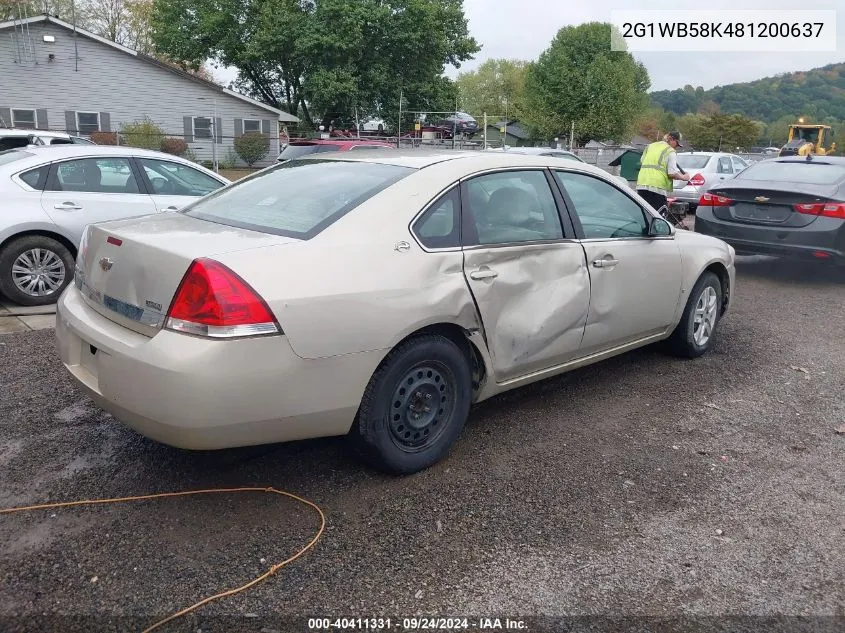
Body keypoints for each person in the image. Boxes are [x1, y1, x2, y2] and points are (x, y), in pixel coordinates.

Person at [636, 131, 691, 212]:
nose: (676, 147)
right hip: (657, 186)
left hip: (642, 183)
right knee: (660, 213)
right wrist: (683, 177)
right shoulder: (670, 151)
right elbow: (672, 173)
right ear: (671, 139)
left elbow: (642, 161)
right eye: (677, 144)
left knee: (644, 212)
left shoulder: (650, 146)